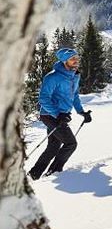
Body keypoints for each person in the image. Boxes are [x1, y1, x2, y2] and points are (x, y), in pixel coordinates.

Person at [28, 48, 92, 180]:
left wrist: (82, 112)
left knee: (53, 146)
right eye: (72, 59)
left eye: (77, 58)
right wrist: (58, 114)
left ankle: (34, 174)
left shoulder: (74, 76)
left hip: (61, 115)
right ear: (64, 61)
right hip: (50, 115)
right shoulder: (53, 77)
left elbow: (74, 96)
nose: (76, 61)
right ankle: (54, 172)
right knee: (70, 144)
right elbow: (44, 98)